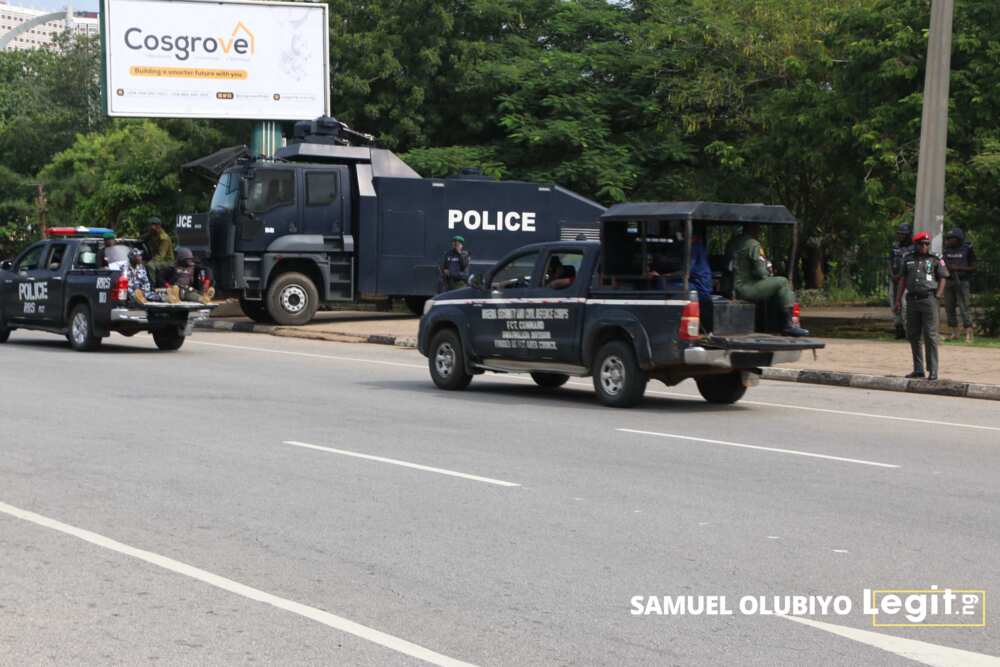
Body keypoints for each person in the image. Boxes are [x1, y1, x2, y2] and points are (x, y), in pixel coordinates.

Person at [729, 223, 808, 336]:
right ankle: (789, 325)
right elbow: (760, 272)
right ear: (753, 228)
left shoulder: (732, 242)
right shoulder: (753, 244)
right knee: (783, 282)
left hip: (731, 286)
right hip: (744, 288)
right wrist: (768, 272)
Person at [895, 231, 948, 380]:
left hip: (929, 299)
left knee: (930, 335)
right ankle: (918, 370)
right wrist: (898, 300)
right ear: (915, 244)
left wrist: (938, 295)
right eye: (921, 244)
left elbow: (943, 277)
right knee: (913, 335)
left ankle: (933, 370)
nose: (924, 246)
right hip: (912, 300)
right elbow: (902, 281)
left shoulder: (936, 259)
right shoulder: (907, 259)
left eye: (926, 244)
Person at [941, 227, 976, 343]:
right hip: (949, 281)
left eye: (952, 238)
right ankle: (954, 332)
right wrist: (944, 267)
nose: (949, 240)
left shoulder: (967, 249)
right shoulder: (946, 251)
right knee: (949, 307)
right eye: (948, 238)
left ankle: (969, 333)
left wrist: (959, 268)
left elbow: (973, 267)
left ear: (959, 238)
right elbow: (941, 262)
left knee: (964, 307)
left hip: (962, 281)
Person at [888, 222, 913, 339]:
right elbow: (890, 261)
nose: (900, 236)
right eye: (899, 234)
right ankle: (898, 329)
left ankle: (909, 331)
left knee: (905, 303)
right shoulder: (895, 246)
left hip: (906, 280)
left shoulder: (913, 247)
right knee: (894, 303)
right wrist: (892, 274)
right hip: (894, 279)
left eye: (903, 234)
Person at [140, 217, 174, 285]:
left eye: (151, 225)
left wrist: (151, 261)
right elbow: (142, 238)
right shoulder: (153, 233)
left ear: (157, 226)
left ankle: (153, 285)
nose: (149, 227)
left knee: (150, 265)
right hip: (156, 259)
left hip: (167, 261)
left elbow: (161, 256)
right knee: (140, 263)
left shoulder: (164, 238)